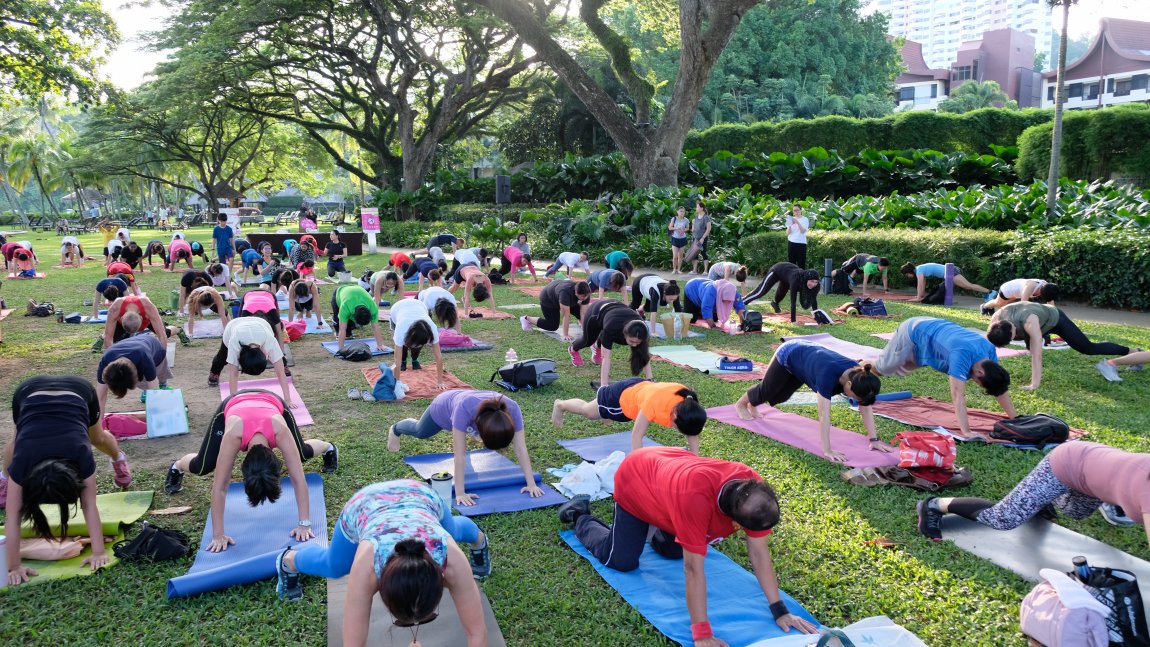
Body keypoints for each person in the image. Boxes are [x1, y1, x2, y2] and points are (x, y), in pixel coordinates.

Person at [557, 447, 817, 642]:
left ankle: (659, 526)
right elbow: (693, 570)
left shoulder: (753, 494)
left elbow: (759, 554)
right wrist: (702, 633)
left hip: (668, 478)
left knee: (673, 551)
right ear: (735, 523)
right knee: (620, 560)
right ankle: (580, 514)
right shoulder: (696, 501)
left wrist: (779, 609)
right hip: (636, 478)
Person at [271, 480, 492, 647]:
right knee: (335, 566)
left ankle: (479, 539)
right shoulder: (366, 568)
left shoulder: (452, 562)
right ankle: (289, 560)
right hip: (366, 505)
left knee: (451, 531)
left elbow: (477, 633)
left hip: (421, 497)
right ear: (381, 589)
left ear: (442, 581)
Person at [163, 390, 337, 552]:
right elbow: (220, 487)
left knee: (303, 453)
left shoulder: (280, 431)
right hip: (234, 404)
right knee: (201, 466)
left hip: (271, 402)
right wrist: (218, 535)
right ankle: (177, 466)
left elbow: (298, 480)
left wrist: (304, 524)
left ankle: (329, 447)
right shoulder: (233, 436)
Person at [4, 376, 133, 585]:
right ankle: (4, 480)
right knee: (17, 440)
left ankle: (119, 460)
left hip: (78, 391)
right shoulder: (22, 463)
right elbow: (13, 516)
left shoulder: (81, 454)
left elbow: (89, 505)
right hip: (28, 392)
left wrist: (99, 552)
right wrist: (14, 566)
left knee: (97, 438)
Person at [915, 441, 1150, 544]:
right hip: (1069, 461)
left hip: (1092, 470)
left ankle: (1043, 498)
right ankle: (934, 505)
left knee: (1077, 512)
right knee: (1003, 519)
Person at [733, 340, 892, 463]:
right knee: (768, 390)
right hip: (790, 353)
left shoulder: (859, 376)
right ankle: (742, 403)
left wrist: (874, 440)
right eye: (856, 398)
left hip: (805, 361)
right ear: (849, 385)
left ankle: (753, 403)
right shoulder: (827, 376)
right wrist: (827, 450)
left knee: (780, 397)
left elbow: (866, 407)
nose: (856, 402)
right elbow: (824, 416)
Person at [387, 391, 542, 505]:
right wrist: (460, 493)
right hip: (444, 407)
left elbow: (521, 448)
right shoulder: (464, 409)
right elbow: (459, 455)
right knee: (420, 431)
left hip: (477, 415)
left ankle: (476, 434)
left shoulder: (513, 410)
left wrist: (531, 483)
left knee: (471, 445)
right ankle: (395, 429)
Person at [874, 316, 1017, 438]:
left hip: (931, 335)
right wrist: (967, 432)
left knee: (903, 369)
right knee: (884, 369)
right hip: (914, 330)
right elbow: (958, 395)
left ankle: (872, 365)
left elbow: (999, 388)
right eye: (979, 383)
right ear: (979, 373)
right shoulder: (962, 355)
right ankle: (863, 368)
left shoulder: (989, 353)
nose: (975, 382)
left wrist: (1014, 419)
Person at [987, 301, 1132, 389]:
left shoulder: (1030, 322)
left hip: (1055, 319)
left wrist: (1034, 384)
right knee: (1030, 348)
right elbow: (989, 344)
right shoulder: (997, 319)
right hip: (1033, 320)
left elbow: (1037, 356)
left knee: (1087, 348)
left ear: (1013, 333)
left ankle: (1131, 352)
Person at [552, 379, 708, 452]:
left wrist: (694, 461)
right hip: (621, 399)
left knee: (599, 413)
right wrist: (638, 468)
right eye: (677, 428)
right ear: (674, 416)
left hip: (639, 387)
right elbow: (636, 437)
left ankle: (605, 413)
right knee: (588, 411)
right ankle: (560, 404)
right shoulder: (653, 405)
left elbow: (692, 433)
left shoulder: (689, 402)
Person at [569, 299, 653, 387]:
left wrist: (650, 380)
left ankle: (597, 347)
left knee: (637, 348)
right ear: (625, 333)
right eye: (632, 341)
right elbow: (606, 357)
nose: (635, 345)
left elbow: (644, 356)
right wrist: (604, 385)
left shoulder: (642, 331)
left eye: (638, 342)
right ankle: (573, 349)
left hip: (614, 313)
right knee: (587, 341)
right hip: (596, 312)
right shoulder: (612, 328)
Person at [208, 316, 294, 399]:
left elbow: (280, 372)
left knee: (279, 360)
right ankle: (214, 372)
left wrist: (288, 399)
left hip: (260, 323)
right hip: (233, 326)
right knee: (222, 357)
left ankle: (284, 364)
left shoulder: (269, 340)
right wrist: (233, 400)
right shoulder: (234, 341)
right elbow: (233, 374)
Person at [95, 333, 172, 418]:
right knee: (145, 385)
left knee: (159, 379)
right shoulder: (105, 361)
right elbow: (100, 397)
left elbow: (154, 392)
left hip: (155, 348)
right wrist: (100, 424)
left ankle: (162, 385)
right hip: (134, 344)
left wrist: (158, 419)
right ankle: (146, 390)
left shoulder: (145, 358)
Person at [388, 297, 446, 385]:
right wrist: (397, 383)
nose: (418, 346)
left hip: (420, 306)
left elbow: (439, 357)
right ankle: (405, 361)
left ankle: (414, 360)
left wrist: (440, 382)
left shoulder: (432, 330)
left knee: (417, 344)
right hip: (397, 308)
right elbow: (397, 360)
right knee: (401, 348)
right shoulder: (401, 330)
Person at [743, 262, 820, 323]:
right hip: (777, 270)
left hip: (786, 277)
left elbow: (813, 299)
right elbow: (793, 303)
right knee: (760, 292)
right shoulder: (795, 281)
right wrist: (793, 321)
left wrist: (817, 316)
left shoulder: (815, 285)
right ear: (806, 279)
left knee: (781, 294)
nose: (813, 284)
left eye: (816, 282)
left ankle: (775, 304)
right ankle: (742, 302)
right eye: (812, 281)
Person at [520, 279, 591, 342]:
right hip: (548, 299)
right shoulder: (565, 294)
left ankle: (584, 326)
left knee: (582, 314)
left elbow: (583, 314)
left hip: (559, 292)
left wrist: (586, 332)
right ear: (576, 293)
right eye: (582, 297)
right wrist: (565, 334)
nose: (585, 298)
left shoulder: (585, 292)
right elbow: (566, 316)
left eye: (586, 296)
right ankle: (526, 318)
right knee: (552, 326)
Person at [102, 294, 173, 349]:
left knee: (166, 333)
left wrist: (162, 359)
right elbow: (108, 338)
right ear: (121, 318)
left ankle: (178, 330)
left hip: (147, 320)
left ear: (142, 318)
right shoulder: (115, 309)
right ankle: (102, 337)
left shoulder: (148, 307)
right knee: (111, 338)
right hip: (126, 322)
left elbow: (162, 336)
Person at [331, 284, 385, 352]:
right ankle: (337, 328)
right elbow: (342, 328)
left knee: (349, 328)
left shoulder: (373, 308)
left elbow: (375, 327)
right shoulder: (345, 306)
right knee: (338, 320)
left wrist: (380, 345)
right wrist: (341, 349)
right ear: (353, 315)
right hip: (339, 292)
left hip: (356, 290)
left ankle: (350, 327)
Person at [899, 262, 990, 302]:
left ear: (909, 271)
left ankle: (989, 292)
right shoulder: (920, 270)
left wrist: (918, 298)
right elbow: (922, 285)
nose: (908, 277)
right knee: (967, 286)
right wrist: (920, 296)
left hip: (951, 271)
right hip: (950, 272)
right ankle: (987, 293)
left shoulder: (919, 271)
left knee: (968, 285)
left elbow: (919, 285)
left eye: (906, 275)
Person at [982, 278, 1059, 314]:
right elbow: (1023, 304)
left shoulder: (1048, 288)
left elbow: (1052, 307)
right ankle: (984, 306)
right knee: (998, 304)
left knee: (1004, 307)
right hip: (1008, 289)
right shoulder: (1031, 286)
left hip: (1018, 293)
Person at [688, 203, 712, 275]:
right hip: (695, 238)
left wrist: (703, 238)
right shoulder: (695, 217)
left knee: (703, 253)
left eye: (697, 207)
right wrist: (692, 224)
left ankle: (705, 271)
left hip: (703, 238)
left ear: (702, 208)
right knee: (695, 254)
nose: (696, 208)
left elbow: (708, 229)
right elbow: (693, 230)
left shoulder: (706, 217)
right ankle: (694, 271)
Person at [785, 204, 809, 269]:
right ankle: (792, 278)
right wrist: (790, 224)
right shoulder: (790, 219)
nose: (796, 212)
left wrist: (797, 222)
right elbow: (788, 233)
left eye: (797, 210)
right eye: (794, 211)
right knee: (791, 264)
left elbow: (803, 231)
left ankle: (801, 278)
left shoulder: (805, 219)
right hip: (791, 242)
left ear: (801, 210)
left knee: (801, 263)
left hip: (801, 243)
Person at [668, 206, 690, 274]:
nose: (682, 213)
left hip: (682, 238)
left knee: (680, 256)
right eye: (680, 211)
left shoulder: (686, 220)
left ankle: (679, 269)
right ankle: (674, 269)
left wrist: (683, 230)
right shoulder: (674, 219)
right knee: (675, 256)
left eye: (683, 211)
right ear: (677, 211)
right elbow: (670, 228)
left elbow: (687, 228)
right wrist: (676, 228)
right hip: (675, 238)